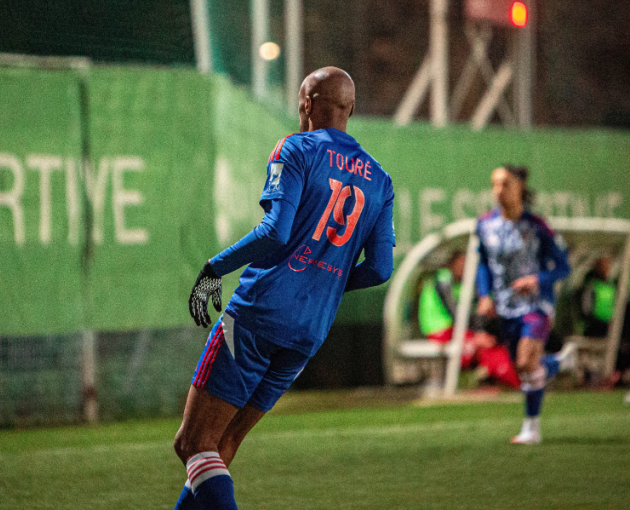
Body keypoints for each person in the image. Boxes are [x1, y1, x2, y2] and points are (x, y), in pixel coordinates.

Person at [172, 67, 395, 510]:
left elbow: (275, 231)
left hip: (257, 315)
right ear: (350, 109)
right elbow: (380, 269)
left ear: (306, 103)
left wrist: (215, 267)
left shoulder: (295, 148)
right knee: (223, 443)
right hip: (309, 331)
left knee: (193, 442)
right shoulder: (380, 179)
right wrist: (324, 284)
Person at [475, 165, 575, 444]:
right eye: (495, 184)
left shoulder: (537, 226)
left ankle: (531, 429)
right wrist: (484, 295)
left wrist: (538, 279)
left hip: (536, 305)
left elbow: (563, 267)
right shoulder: (484, 224)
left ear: (519, 187)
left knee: (525, 362)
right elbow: (483, 263)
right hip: (505, 307)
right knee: (523, 369)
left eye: (505, 183)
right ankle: (559, 362)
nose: (499, 190)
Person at [418, 251, 520, 388]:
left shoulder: (462, 282)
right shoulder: (443, 279)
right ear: (452, 263)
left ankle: (506, 378)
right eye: (461, 263)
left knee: (492, 341)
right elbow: (456, 314)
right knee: (483, 344)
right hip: (440, 330)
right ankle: (510, 379)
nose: (464, 267)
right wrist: (477, 332)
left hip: (453, 329)